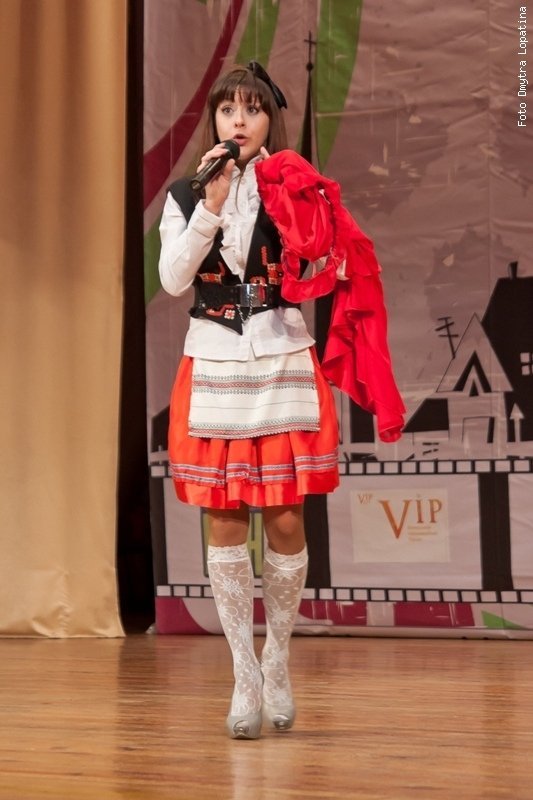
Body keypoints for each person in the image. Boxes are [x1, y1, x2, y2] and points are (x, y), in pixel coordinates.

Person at [158, 62, 340, 740]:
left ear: (270, 121)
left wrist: (292, 200)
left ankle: (279, 659)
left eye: (253, 109)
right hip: (214, 357)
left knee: (286, 519)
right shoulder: (186, 195)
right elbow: (173, 278)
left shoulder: (291, 185)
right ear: (213, 119)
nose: (239, 120)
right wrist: (211, 204)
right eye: (228, 109)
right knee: (226, 517)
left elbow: (317, 258)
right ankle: (242, 673)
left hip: (280, 352)